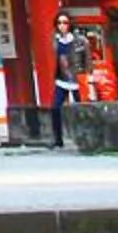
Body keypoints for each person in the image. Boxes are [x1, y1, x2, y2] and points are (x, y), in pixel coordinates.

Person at [49, 17, 85, 150]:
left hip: (77, 79)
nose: (62, 25)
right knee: (55, 108)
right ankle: (58, 139)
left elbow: (85, 58)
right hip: (62, 79)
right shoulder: (56, 40)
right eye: (59, 23)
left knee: (82, 109)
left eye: (65, 23)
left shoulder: (78, 40)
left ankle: (84, 137)